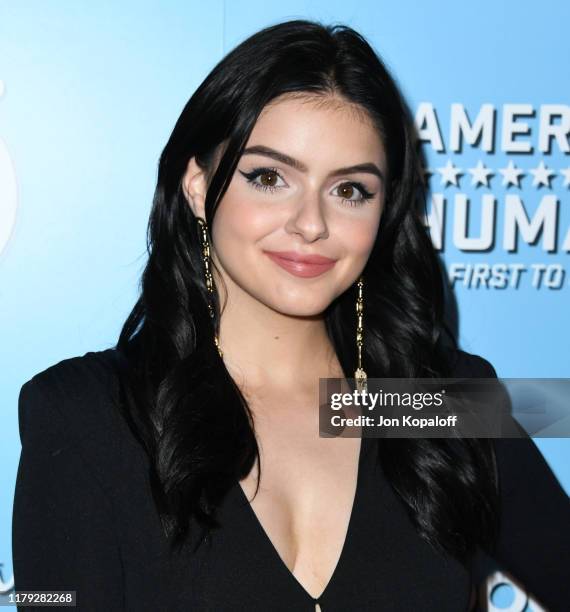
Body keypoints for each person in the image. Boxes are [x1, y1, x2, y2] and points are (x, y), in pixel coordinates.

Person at [12, 19, 570, 611]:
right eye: (270, 177)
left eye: (350, 189)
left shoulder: (433, 401)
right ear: (199, 187)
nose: (312, 224)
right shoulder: (86, 414)